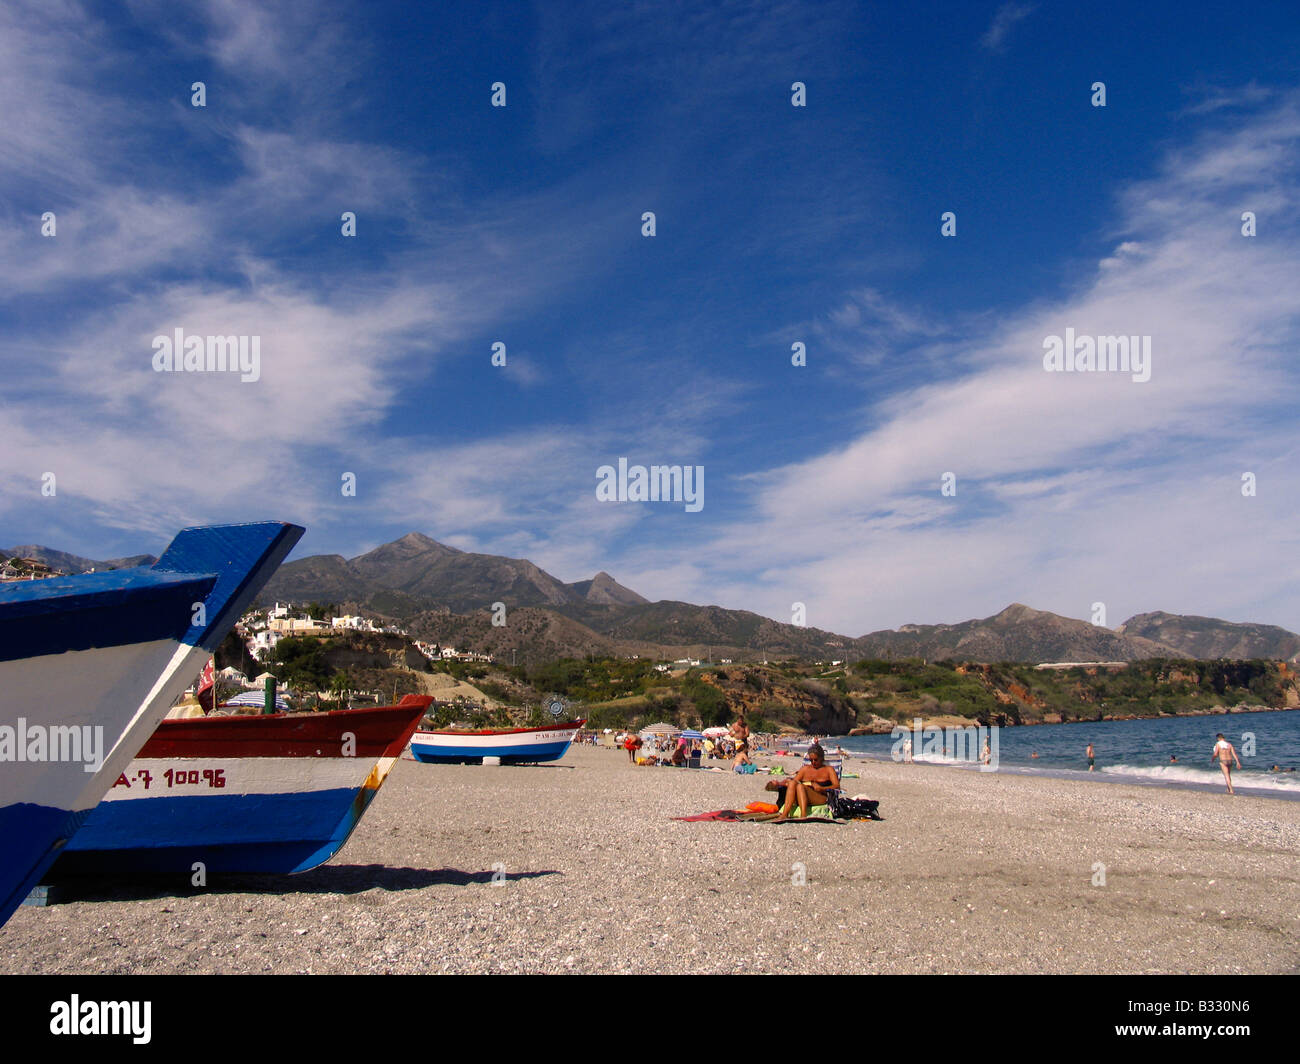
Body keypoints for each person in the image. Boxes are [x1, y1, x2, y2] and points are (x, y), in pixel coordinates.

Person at [767, 743, 840, 821]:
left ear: (821, 758)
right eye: (811, 760)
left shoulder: (829, 770)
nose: (813, 762)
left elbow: (836, 786)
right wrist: (781, 783)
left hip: (821, 797)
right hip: (803, 795)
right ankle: (785, 814)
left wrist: (822, 788)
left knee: (800, 786)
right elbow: (793, 782)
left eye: (816, 760)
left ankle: (803, 815)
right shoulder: (805, 769)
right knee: (794, 784)